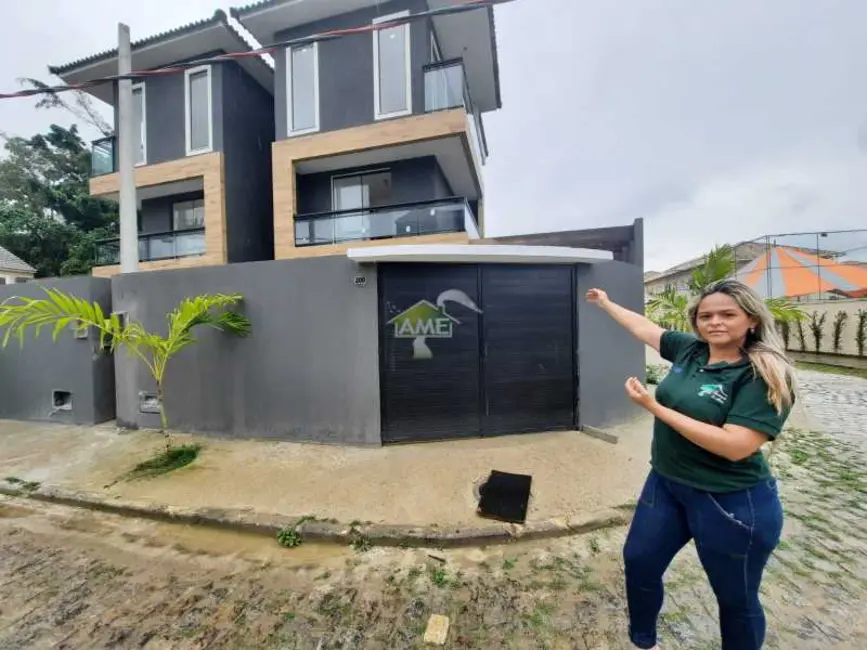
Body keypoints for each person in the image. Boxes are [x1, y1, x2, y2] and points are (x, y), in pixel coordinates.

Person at [586, 279, 796, 650]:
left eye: (727, 315)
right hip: (667, 484)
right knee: (640, 561)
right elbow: (644, 327)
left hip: (730, 501)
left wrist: (654, 407)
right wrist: (605, 302)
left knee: (736, 598)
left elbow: (735, 446)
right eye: (705, 316)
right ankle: (643, 641)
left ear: (751, 320)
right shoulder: (691, 350)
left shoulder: (762, 373)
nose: (715, 322)